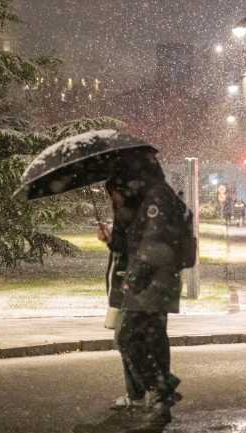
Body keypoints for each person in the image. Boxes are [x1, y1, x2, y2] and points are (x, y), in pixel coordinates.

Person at [109, 152, 183, 429]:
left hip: (154, 282)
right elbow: (139, 240)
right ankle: (161, 401)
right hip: (157, 282)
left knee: (127, 337)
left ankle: (163, 389)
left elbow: (154, 242)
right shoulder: (154, 195)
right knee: (150, 341)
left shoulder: (157, 197)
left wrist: (135, 278)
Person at [97, 179, 146, 411]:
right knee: (125, 341)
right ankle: (138, 392)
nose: (111, 198)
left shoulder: (131, 216)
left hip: (128, 290)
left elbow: (133, 252)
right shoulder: (125, 216)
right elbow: (123, 249)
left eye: (113, 193)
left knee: (125, 341)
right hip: (120, 291)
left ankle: (140, 393)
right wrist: (110, 240)